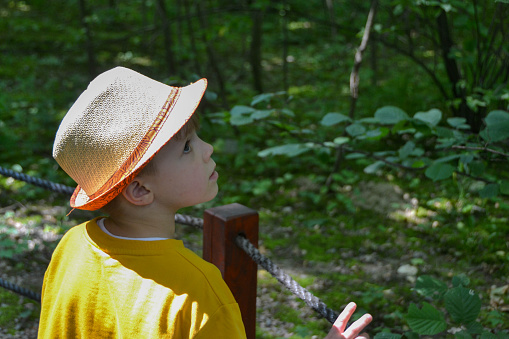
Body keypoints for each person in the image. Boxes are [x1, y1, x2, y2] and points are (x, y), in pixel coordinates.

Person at [38, 66, 372, 338]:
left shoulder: (71, 247)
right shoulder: (199, 293)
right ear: (139, 190)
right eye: (186, 147)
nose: (207, 149)